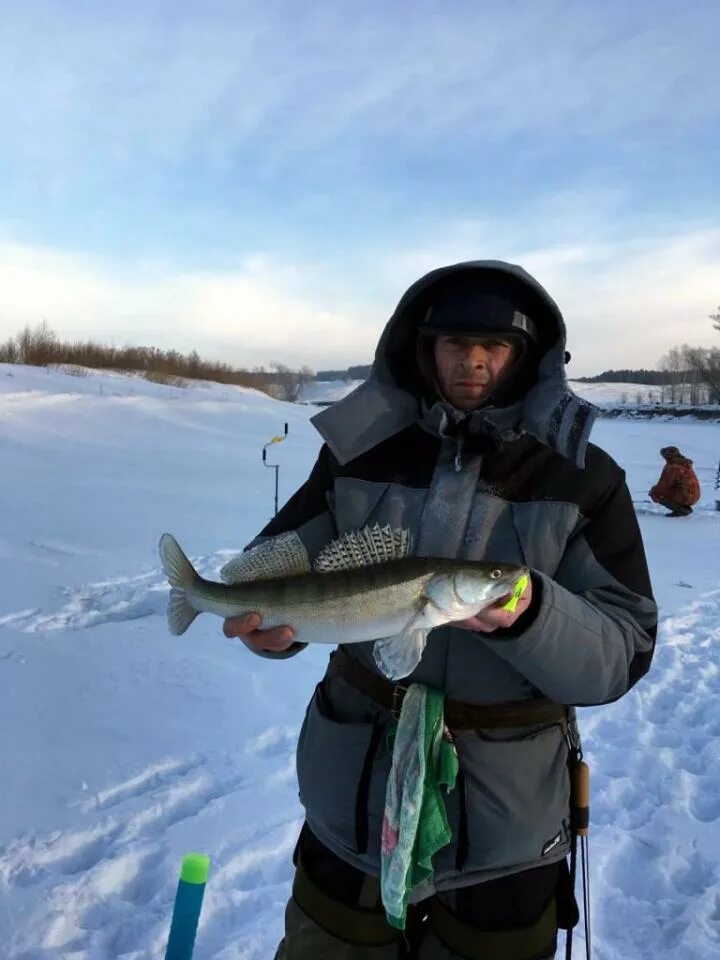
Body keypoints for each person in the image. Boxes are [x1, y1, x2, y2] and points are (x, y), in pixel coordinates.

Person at [224, 260, 658, 960]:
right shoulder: (358, 454)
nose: (474, 360)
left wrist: (532, 615)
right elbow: (281, 567)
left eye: (496, 345)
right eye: (455, 342)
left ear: (528, 356)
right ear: (423, 348)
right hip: (350, 805)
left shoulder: (584, 477)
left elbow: (622, 653)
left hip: (505, 830)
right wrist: (270, 631)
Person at [649, 446, 701, 517]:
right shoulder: (684, 463)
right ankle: (685, 508)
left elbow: (664, 485)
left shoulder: (672, 467)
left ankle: (681, 510)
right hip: (695, 496)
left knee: (656, 494)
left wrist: (653, 491)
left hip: (685, 496)